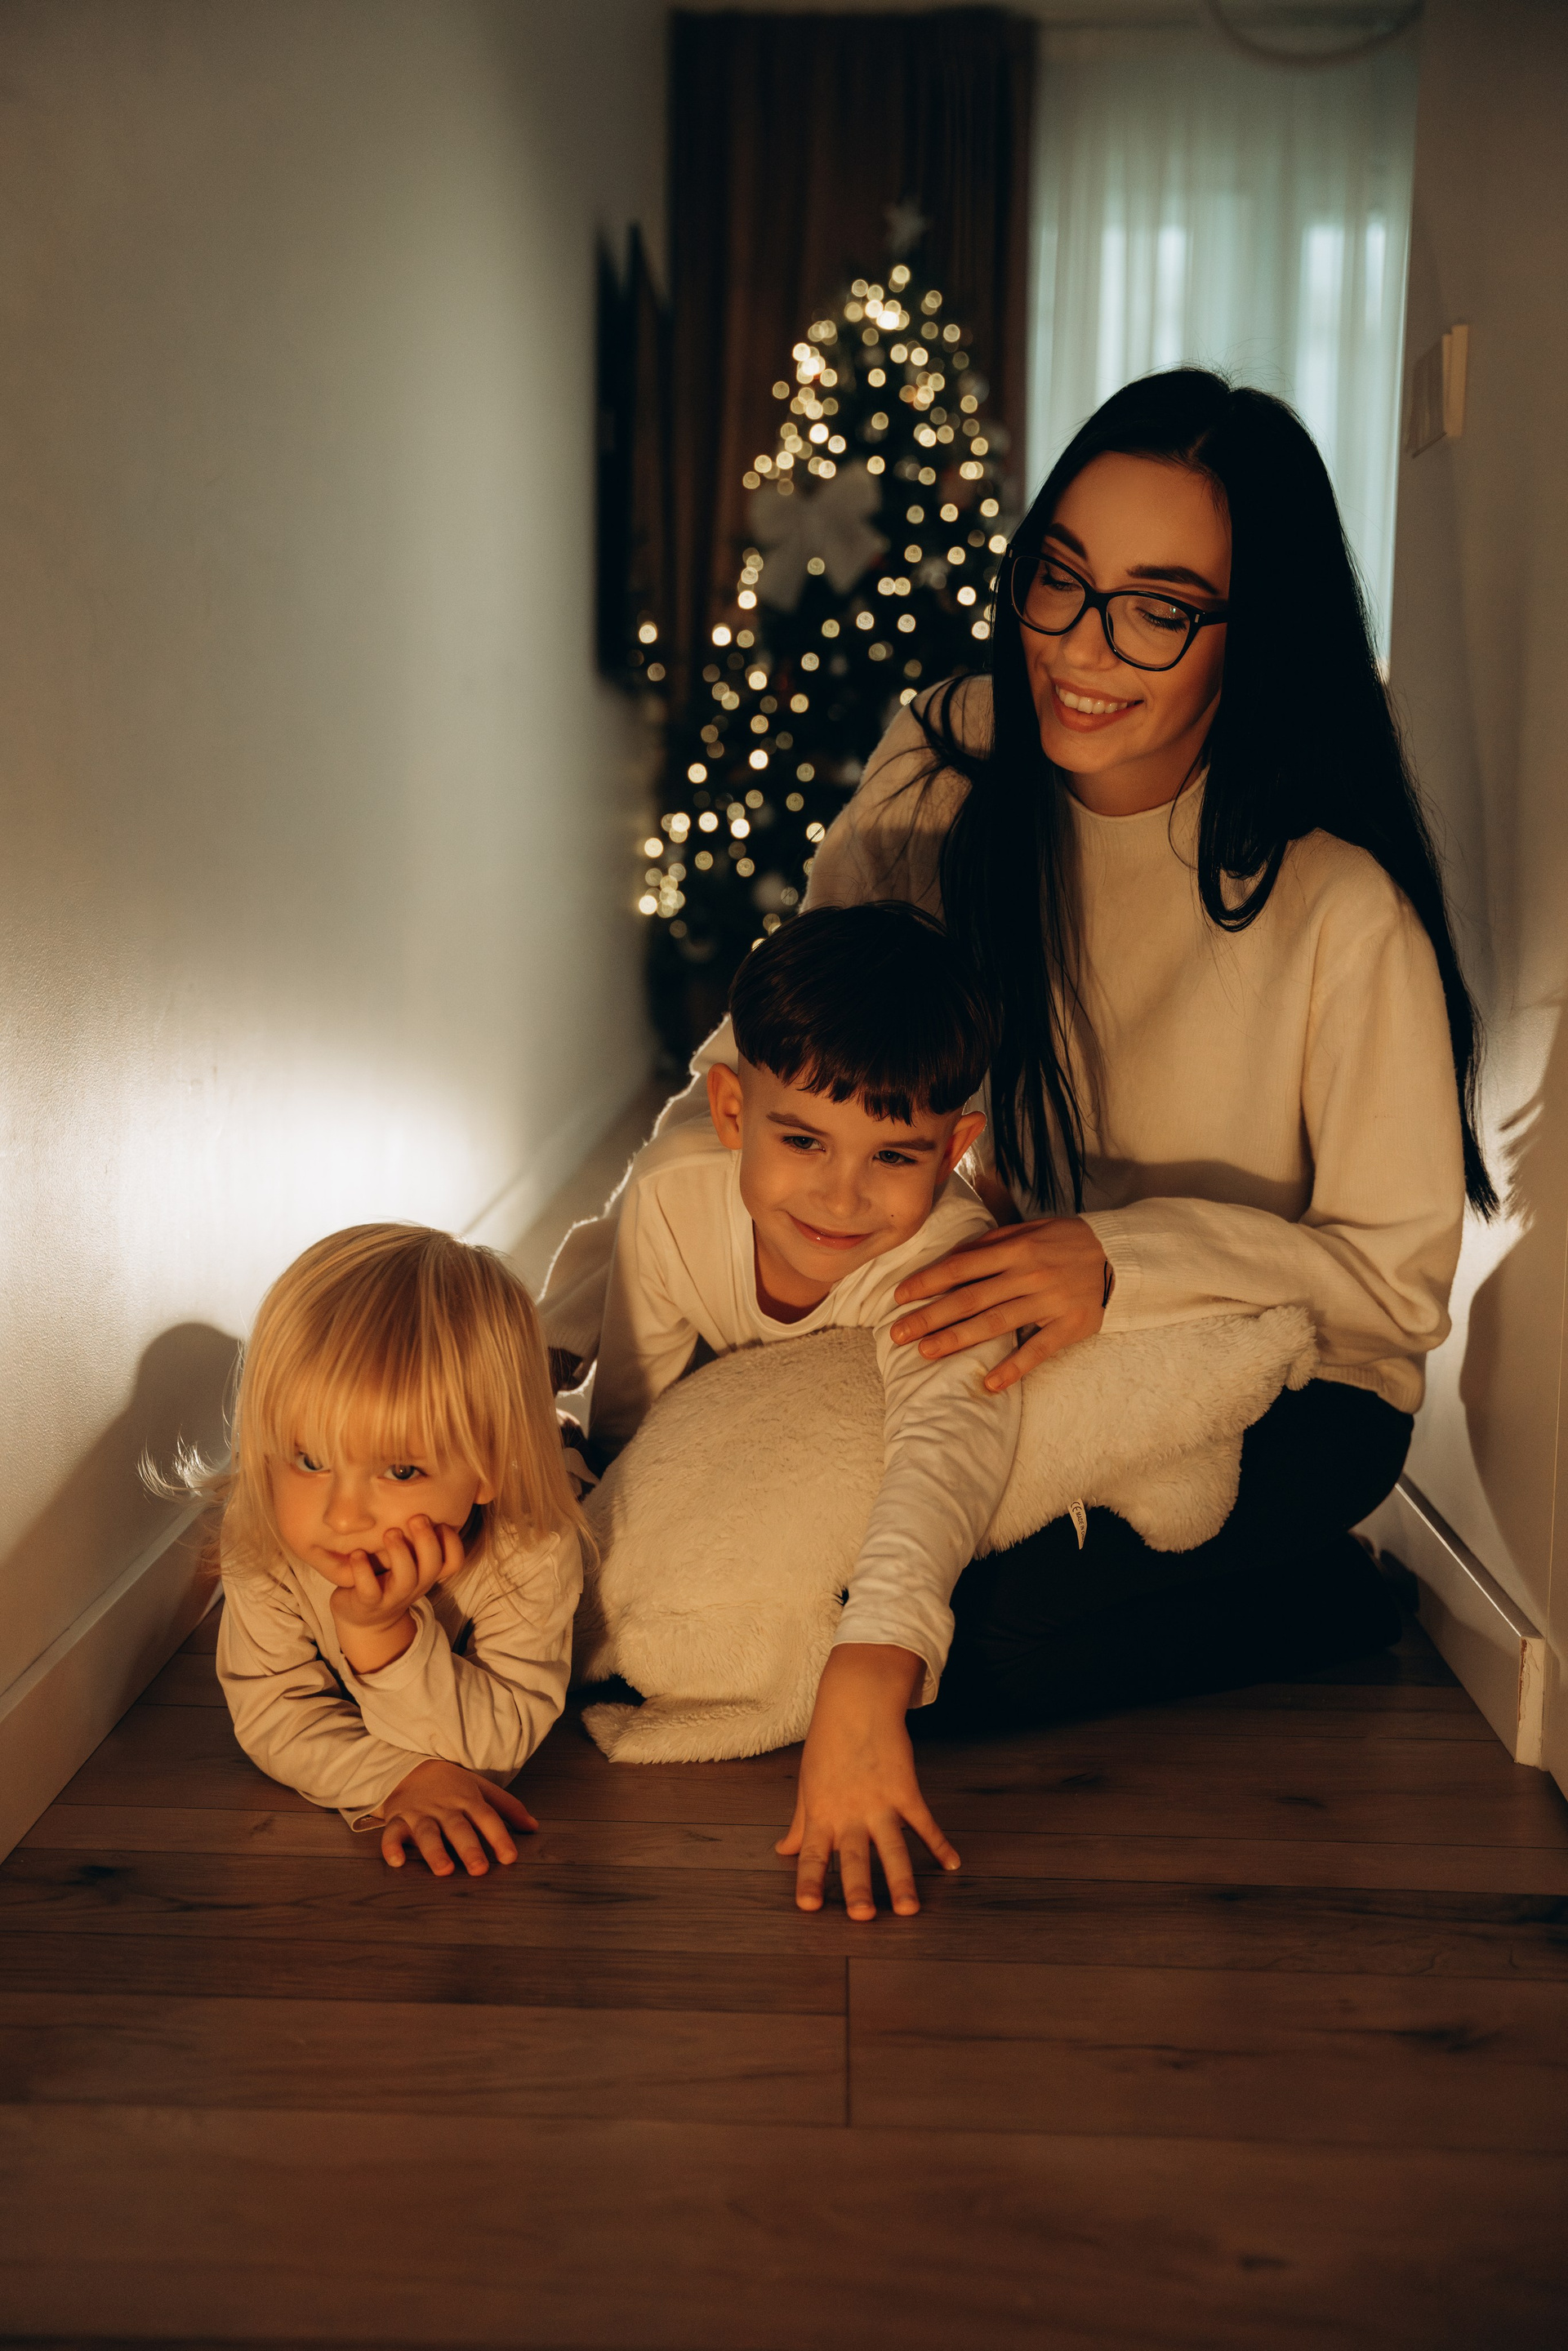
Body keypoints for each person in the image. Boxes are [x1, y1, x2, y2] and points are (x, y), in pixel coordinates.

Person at [543, 367, 1488, 1921]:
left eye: (1157, 609)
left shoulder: (1339, 905)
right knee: (822, 1559)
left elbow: (1392, 1294)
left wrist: (1118, 1260)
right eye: (1061, 576)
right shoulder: (956, 753)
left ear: (1253, 636)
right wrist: (561, 1347)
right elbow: (758, 1065)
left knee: (971, 1638)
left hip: (1284, 1374)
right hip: (997, 1315)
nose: (1079, 645)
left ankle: (1317, 1599)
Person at [581, 903, 1019, 1883]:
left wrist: (875, 1659)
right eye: (805, 1141)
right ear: (733, 1112)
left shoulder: (949, 1259)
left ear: (955, 1147)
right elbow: (630, 1421)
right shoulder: (672, 1193)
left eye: (893, 1155)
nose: (840, 1196)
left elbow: (947, 1451)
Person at [187, 1222, 589, 1877]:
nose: (343, 1516)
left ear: (488, 1469)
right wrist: (399, 1777)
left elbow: (498, 1744)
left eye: (400, 1471)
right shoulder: (265, 1530)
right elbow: (273, 1712)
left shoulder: (532, 1549)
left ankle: (560, 1430)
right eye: (310, 1459)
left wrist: (383, 1638)